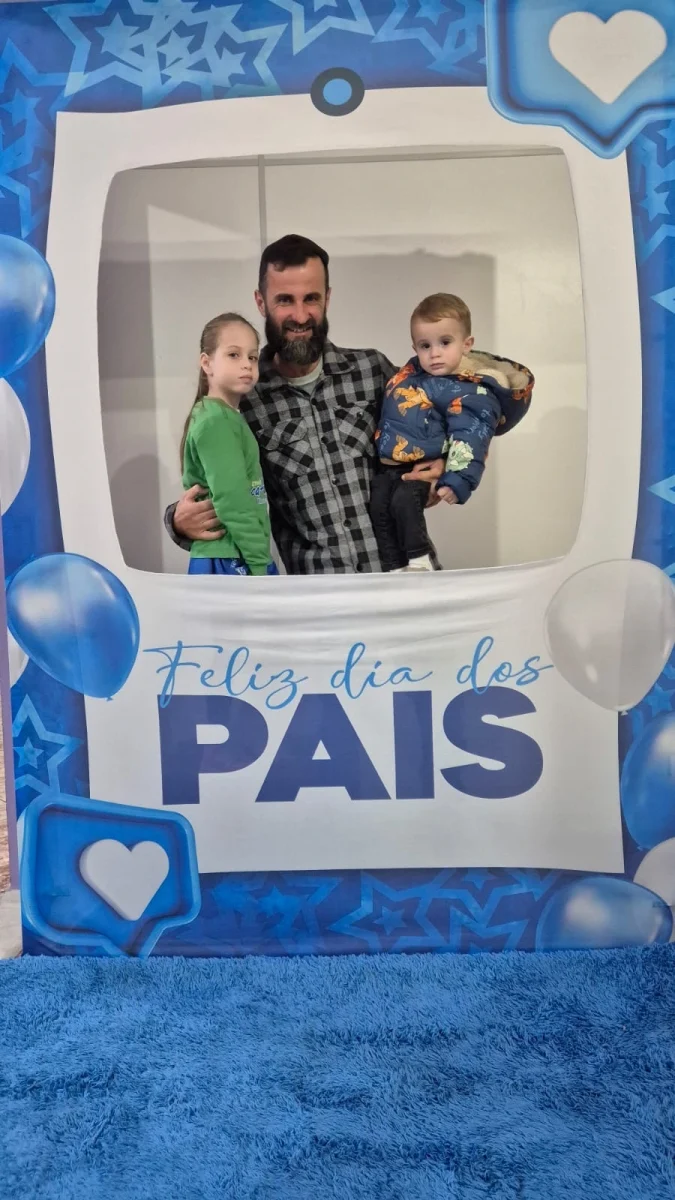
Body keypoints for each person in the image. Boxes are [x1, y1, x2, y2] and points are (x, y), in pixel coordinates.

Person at [165, 234, 443, 573]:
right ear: (261, 302)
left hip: (408, 582)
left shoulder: (373, 370)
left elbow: (457, 405)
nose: (300, 315)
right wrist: (178, 522)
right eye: (285, 300)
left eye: (311, 298)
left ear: (327, 298)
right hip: (317, 597)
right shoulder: (243, 399)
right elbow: (220, 489)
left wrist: (445, 464)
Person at [370, 293, 534, 572]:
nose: (434, 353)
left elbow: (470, 435)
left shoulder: (470, 390)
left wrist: (458, 478)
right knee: (379, 505)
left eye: (445, 342)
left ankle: (419, 560)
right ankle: (393, 565)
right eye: (425, 345)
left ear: (466, 344)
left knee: (404, 503)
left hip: (423, 465)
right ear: (414, 347)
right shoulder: (412, 375)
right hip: (392, 463)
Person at [181, 312, 278, 577]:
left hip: (235, 552)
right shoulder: (216, 421)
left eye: (252, 357)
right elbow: (233, 501)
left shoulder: (225, 417)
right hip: (229, 556)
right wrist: (260, 563)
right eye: (234, 355)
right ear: (207, 363)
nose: (246, 364)